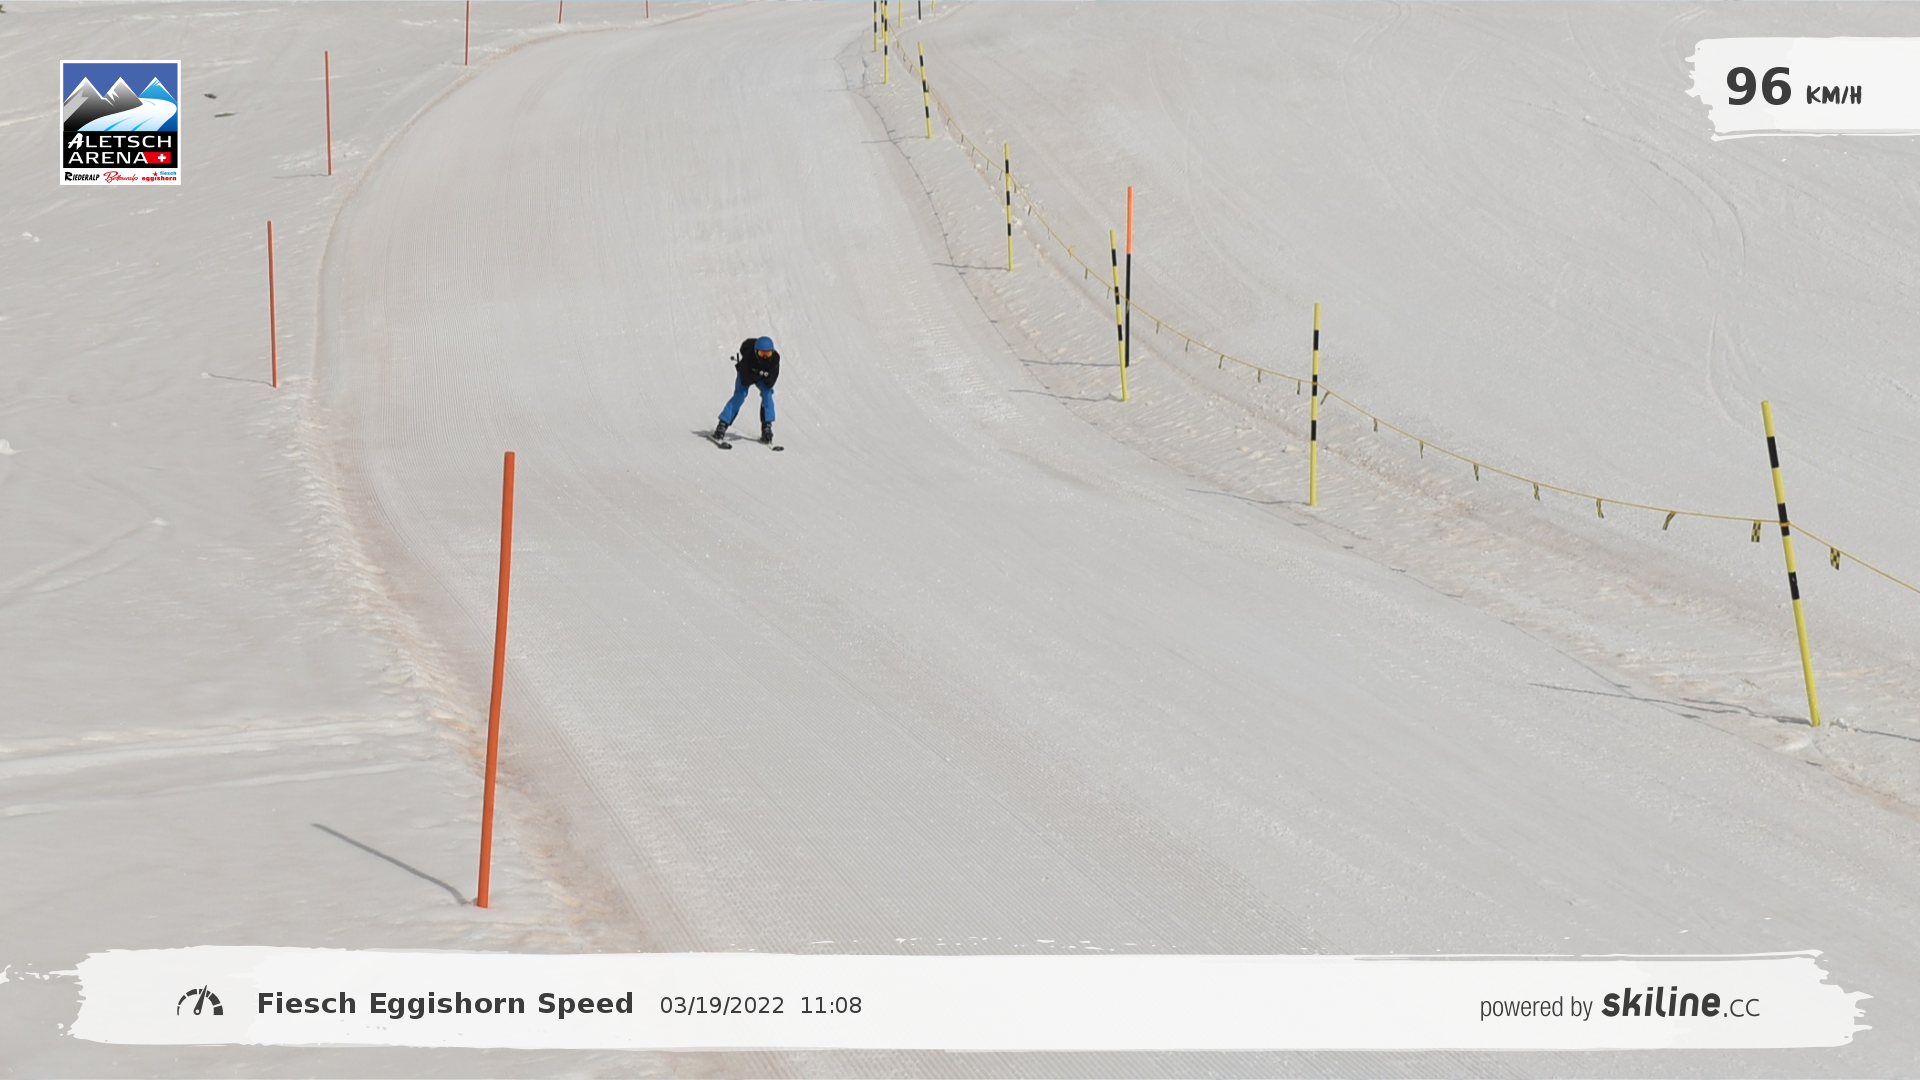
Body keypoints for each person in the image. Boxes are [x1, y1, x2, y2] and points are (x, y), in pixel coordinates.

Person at [714, 335, 779, 444]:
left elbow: (772, 381)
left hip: (761, 378)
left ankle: (766, 426)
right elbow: (744, 380)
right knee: (740, 395)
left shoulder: (775, 359)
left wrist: (768, 378)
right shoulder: (749, 356)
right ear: (756, 352)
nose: (765, 357)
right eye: (762, 354)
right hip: (747, 375)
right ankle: (723, 424)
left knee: (767, 394)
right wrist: (754, 376)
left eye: (768, 354)